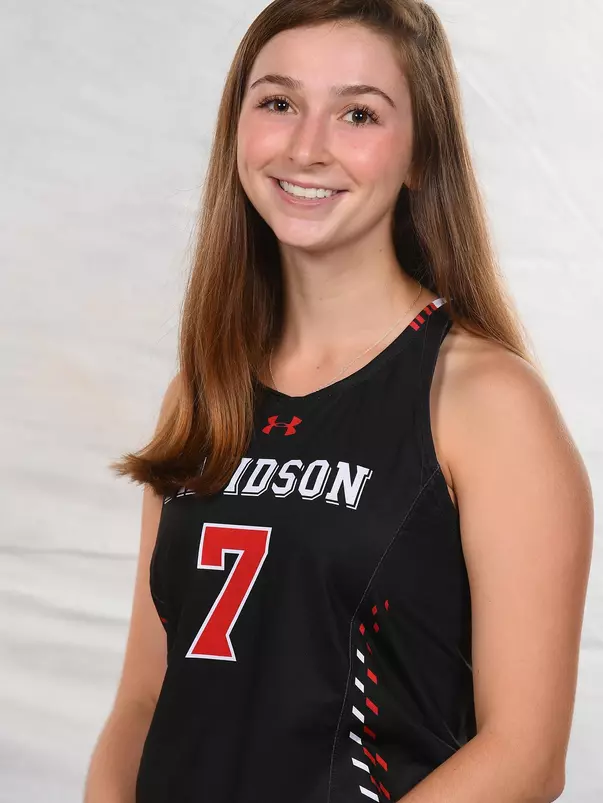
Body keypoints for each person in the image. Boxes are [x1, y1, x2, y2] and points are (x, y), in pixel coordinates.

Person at [83, 1, 593, 802]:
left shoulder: (484, 400)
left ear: (421, 155)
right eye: (279, 103)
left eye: (358, 113)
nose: (306, 146)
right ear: (237, 129)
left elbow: (525, 756)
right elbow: (144, 699)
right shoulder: (204, 390)